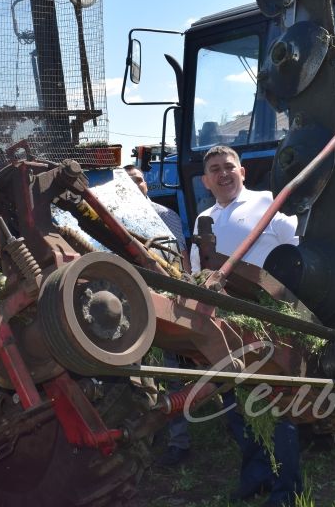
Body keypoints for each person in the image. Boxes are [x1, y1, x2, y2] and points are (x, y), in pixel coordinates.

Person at [191, 145, 303, 507]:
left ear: (243, 172)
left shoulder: (268, 204)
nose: (223, 174)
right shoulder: (203, 219)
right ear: (206, 181)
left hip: (267, 317)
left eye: (229, 167)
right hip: (226, 321)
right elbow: (197, 271)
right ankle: (256, 476)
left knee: (277, 401)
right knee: (236, 401)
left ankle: (288, 489)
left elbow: (298, 252)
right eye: (215, 169)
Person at [124, 164, 192, 466]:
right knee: (133, 376)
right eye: (127, 181)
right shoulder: (111, 218)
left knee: (173, 373)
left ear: (146, 185)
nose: (135, 184)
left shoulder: (167, 217)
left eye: (138, 179)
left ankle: (179, 442)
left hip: (166, 301)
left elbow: (181, 256)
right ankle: (142, 436)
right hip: (130, 305)